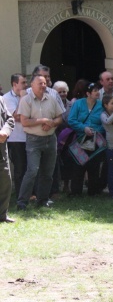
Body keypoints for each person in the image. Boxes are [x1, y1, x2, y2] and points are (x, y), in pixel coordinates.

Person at [16, 75, 63, 210]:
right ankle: (22, 202)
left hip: (50, 139)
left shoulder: (52, 99)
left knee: (47, 173)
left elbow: (59, 117)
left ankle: (42, 200)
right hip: (34, 140)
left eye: (44, 83)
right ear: (32, 85)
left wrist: (52, 123)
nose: (43, 85)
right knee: (32, 171)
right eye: (40, 83)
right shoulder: (26, 100)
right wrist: (43, 120)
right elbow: (24, 121)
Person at [67, 82, 106, 196]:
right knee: (79, 165)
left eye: (98, 90)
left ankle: (93, 191)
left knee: (94, 165)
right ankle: (76, 192)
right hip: (80, 139)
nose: (98, 92)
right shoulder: (78, 104)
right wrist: (84, 128)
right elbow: (72, 120)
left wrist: (94, 130)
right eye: (95, 91)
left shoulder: (101, 105)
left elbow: (104, 122)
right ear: (88, 93)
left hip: (95, 140)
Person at [3, 74, 27, 197]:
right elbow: (16, 117)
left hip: (30, 137)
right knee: (20, 168)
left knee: (30, 168)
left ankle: (31, 194)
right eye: (23, 83)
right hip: (16, 139)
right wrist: (23, 99)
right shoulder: (7, 98)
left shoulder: (29, 95)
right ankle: (20, 195)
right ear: (14, 84)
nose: (26, 85)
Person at [0, 93, 15, 222]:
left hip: (1, 150)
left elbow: (10, 119)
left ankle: (2, 215)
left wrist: (5, 131)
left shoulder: (0, 99)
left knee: (5, 181)